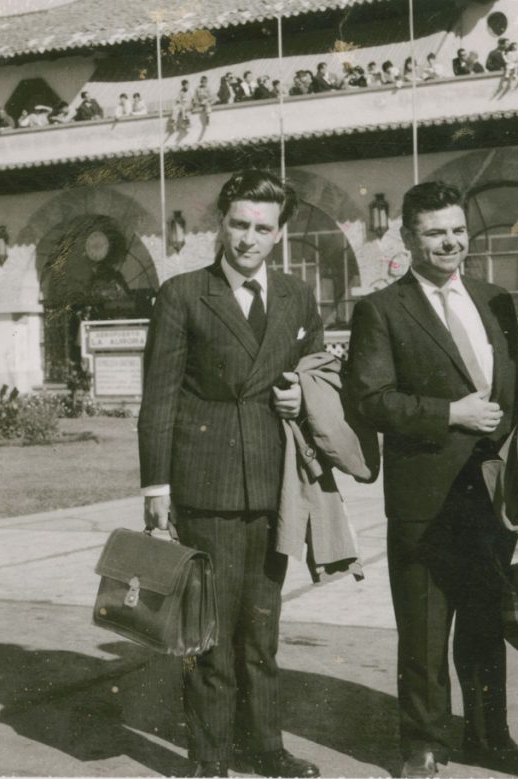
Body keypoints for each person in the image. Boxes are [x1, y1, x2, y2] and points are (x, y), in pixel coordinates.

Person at [138, 169, 324, 779]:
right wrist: (156, 489)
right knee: (209, 632)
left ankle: (265, 748)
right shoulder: (183, 294)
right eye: (239, 224)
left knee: (262, 629)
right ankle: (210, 756)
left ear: (280, 234)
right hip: (206, 482)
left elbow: (319, 376)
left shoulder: (298, 297)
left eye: (262, 228)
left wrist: (305, 398)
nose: (248, 239)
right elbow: (159, 398)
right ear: (221, 224)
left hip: (273, 484)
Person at [345, 182, 518, 779]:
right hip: (424, 497)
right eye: (434, 232)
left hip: (491, 494)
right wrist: (450, 414)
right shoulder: (382, 309)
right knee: (425, 629)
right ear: (407, 239)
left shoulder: (495, 299)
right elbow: (371, 399)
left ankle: (488, 735)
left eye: (456, 230)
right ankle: (424, 744)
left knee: (484, 621)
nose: (449, 242)